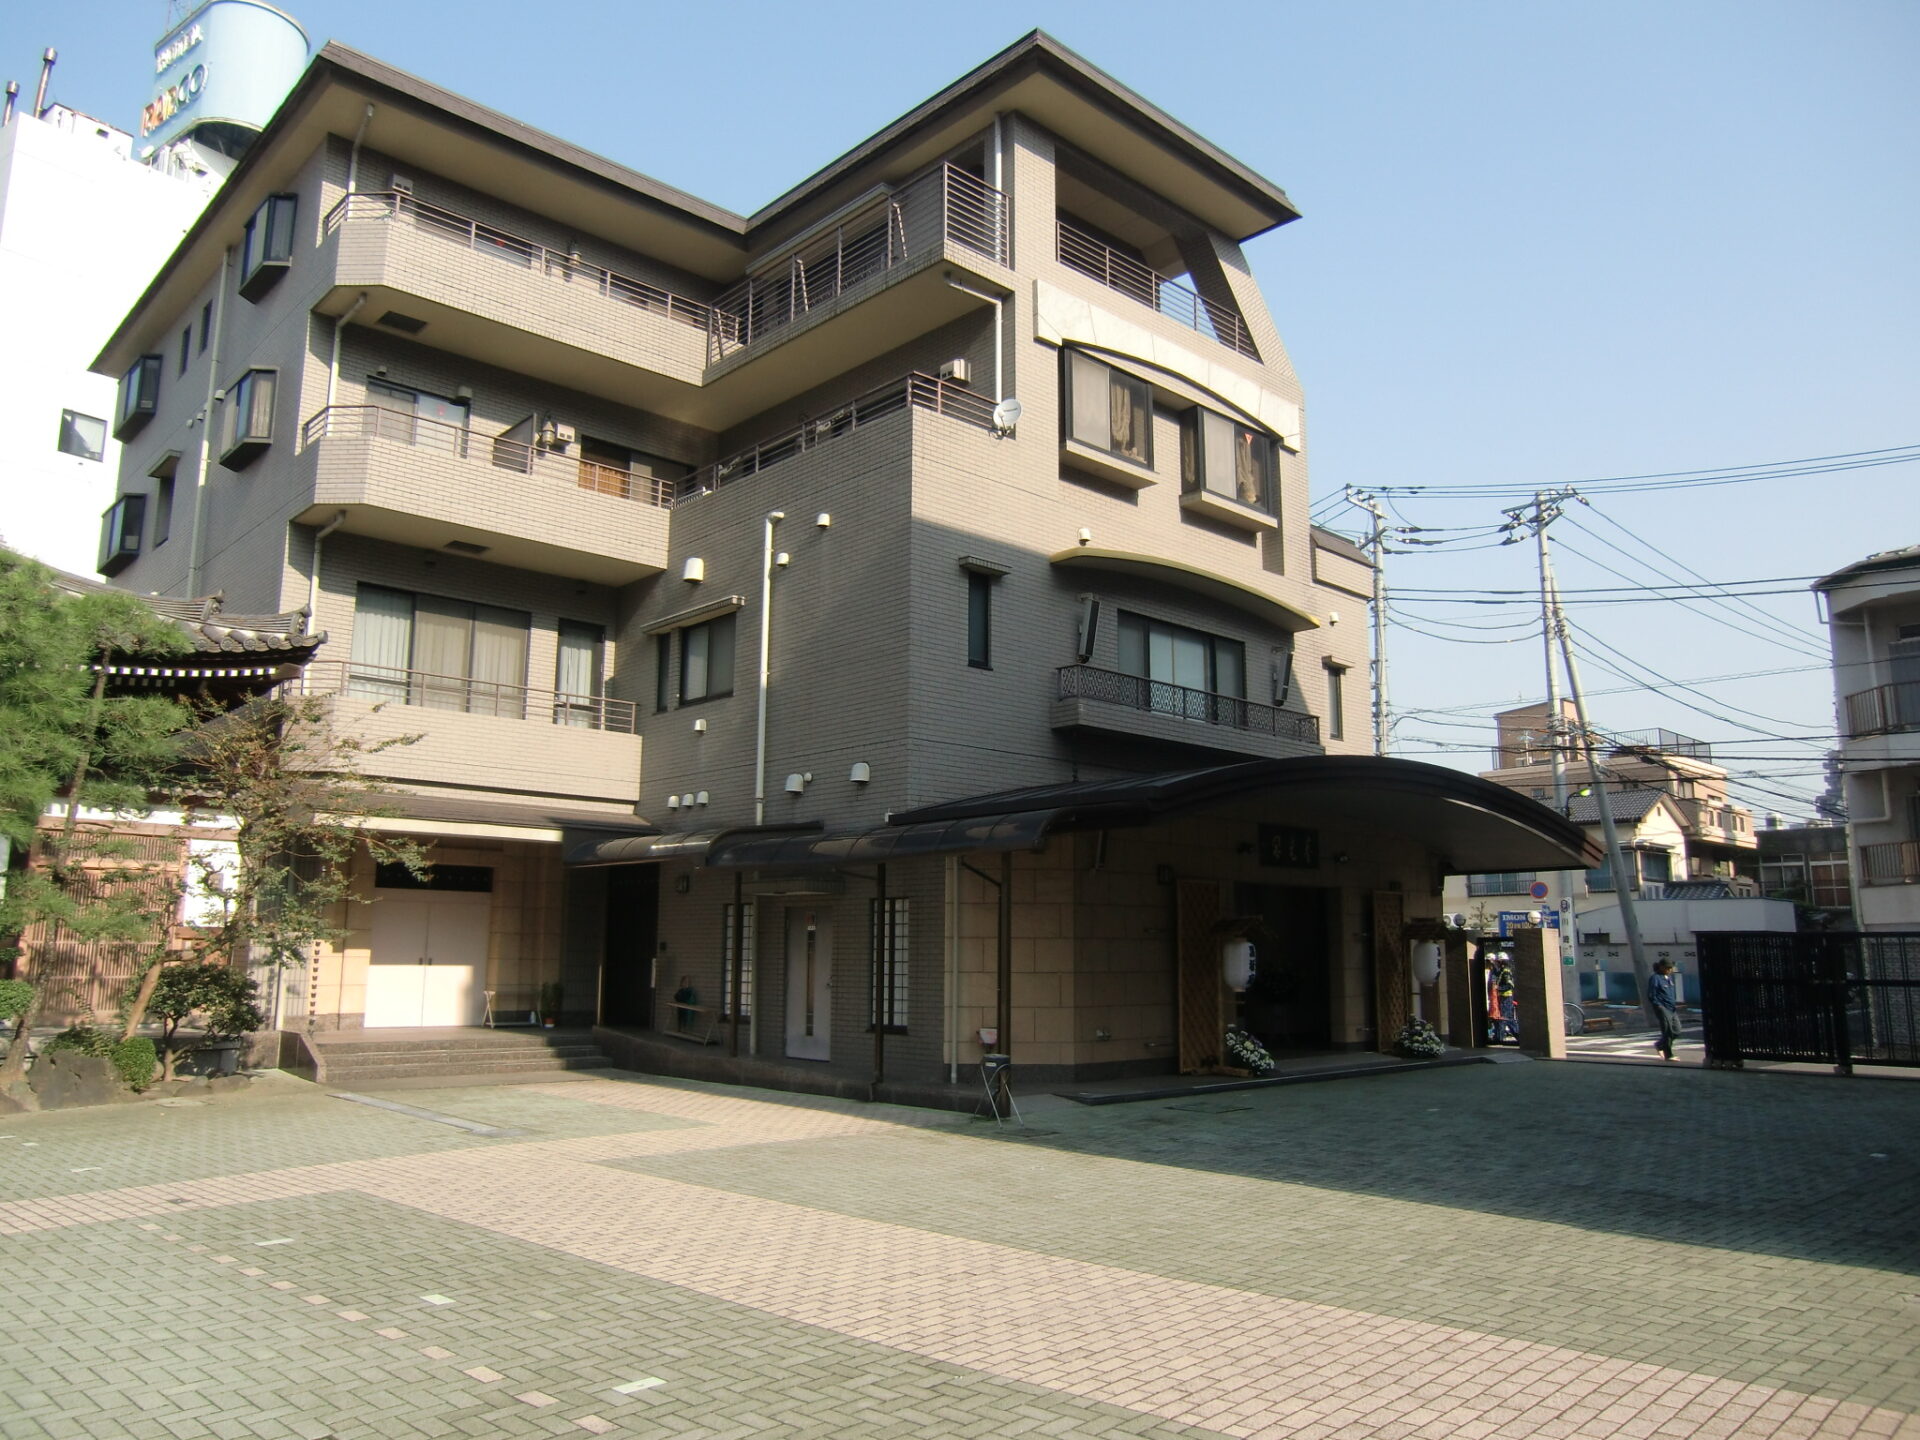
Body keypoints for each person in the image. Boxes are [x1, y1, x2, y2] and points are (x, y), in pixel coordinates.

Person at [1648, 959, 1682, 1061]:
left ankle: (1660, 1044)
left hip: (1671, 1008)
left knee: (1677, 1030)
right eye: (1668, 968)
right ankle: (1669, 1055)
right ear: (1661, 967)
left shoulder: (1667, 978)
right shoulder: (1655, 978)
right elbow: (1651, 994)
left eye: (1670, 968)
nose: (1670, 970)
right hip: (1663, 1008)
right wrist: (1658, 1005)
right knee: (1668, 1031)